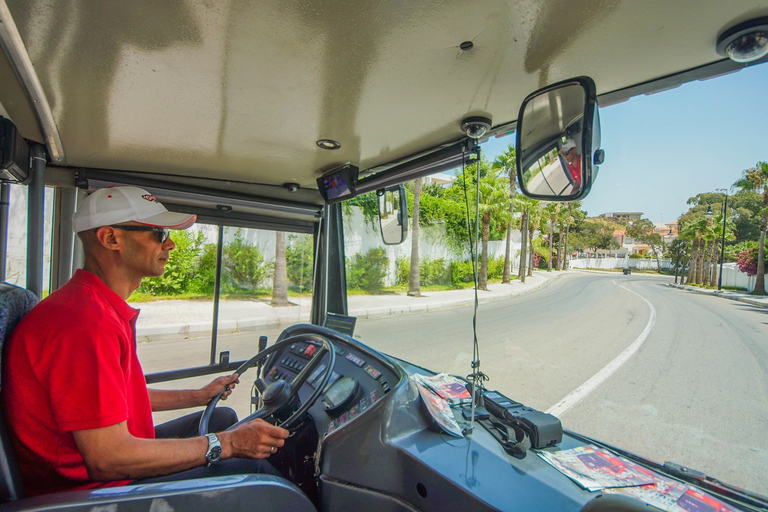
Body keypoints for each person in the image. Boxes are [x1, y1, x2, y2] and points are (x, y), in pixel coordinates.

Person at [1, 186, 289, 497]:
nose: (171, 243)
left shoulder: (92, 306)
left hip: (109, 464)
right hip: (95, 492)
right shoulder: (85, 325)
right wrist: (230, 445)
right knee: (260, 476)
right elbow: (108, 460)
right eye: (158, 233)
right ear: (111, 239)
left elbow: (113, 398)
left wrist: (199, 395)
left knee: (223, 418)